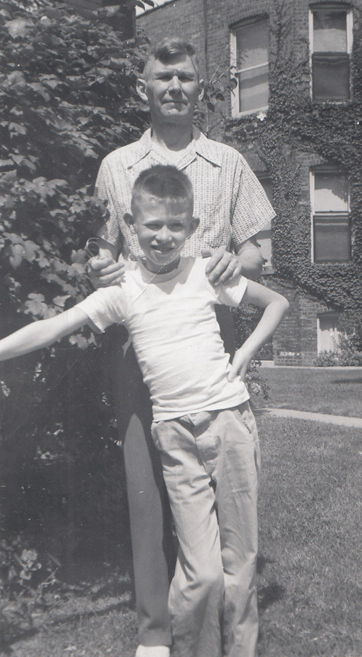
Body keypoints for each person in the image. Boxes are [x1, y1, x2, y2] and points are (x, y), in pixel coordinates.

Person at [0, 165, 289, 657]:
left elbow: (277, 303)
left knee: (240, 565)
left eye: (176, 226)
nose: (164, 236)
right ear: (131, 226)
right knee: (201, 572)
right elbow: (55, 326)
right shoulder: (122, 291)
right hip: (175, 436)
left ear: (193, 227)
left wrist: (245, 354)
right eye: (152, 225)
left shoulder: (205, 272)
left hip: (230, 423)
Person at [87, 37, 276, 656]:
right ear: (143, 85)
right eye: (162, 75)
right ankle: (155, 635)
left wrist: (232, 258)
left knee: (223, 498)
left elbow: (258, 248)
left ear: (201, 88)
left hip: (206, 340)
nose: (174, 86)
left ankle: (228, 633)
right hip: (138, 344)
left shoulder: (228, 163)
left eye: (186, 77)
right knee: (147, 490)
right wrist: (99, 267)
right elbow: (103, 249)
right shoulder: (116, 165)